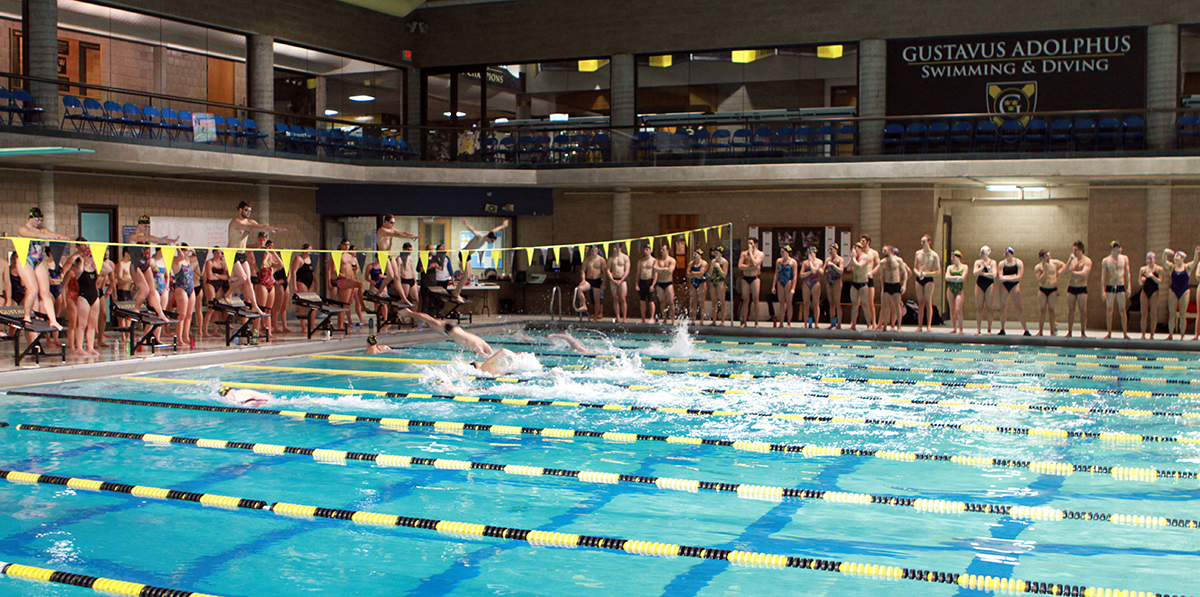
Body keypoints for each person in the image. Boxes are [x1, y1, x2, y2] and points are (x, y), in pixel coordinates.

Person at [16, 207, 72, 330]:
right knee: (33, 290)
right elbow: (34, 234)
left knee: (46, 293)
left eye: (41, 220)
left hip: (38, 260)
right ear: (30, 217)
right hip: (25, 259)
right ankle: (26, 316)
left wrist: (63, 237)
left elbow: (51, 234)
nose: (39, 222)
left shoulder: (42, 229)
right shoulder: (22, 229)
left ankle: (53, 320)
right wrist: (47, 236)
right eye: (37, 219)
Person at [227, 201, 285, 315]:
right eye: (246, 210)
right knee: (243, 278)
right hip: (232, 254)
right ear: (239, 210)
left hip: (242, 254)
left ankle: (255, 306)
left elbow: (259, 226)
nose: (248, 213)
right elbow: (252, 227)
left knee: (248, 281)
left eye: (250, 211)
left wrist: (272, 228)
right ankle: (228, 293)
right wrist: (270, 228)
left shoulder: (250, 222)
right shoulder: (236, 223)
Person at [452, 218, 509, 303]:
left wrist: (503, 226)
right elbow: (473, 230)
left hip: (468, 255)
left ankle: (456, 292)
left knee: (468, 275)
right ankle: (456, 293)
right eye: (492, 241)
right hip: (464, 254)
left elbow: (494, 230)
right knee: (466, 275)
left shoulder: (488, 235)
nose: (491, 243)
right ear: (489, 238)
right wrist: (466, 224)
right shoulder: (480, 236)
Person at [400, 307, 493, 357]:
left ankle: (409, 313)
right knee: (428, 319)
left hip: (454, 328)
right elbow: (484, 355)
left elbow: (490, 352)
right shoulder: (477, 345)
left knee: (429, 319)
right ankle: (408, 312)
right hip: (450, 330)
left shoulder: (482, 342)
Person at [376, 214, 419, 300]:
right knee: (390, 276)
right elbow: (397, 234)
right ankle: (379, 291)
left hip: (391, 255)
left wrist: (412, 235)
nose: (393, 225)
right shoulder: (382, 230)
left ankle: (403, 298)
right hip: (383, 255)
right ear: (386, 222)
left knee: (397, 277)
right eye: (391, 223)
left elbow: (401, 233)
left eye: (394, 223)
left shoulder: (391, 229)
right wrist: (409, 237)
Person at [1163, 247, 1199, 340]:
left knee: (1183, 314)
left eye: (1178, 256)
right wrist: (1165, 253)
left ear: (1183, 258)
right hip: (1173, 291)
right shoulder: (1172, 267)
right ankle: (1170, 334)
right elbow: (1164, 262)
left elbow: (1195, 262)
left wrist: (1196, 253)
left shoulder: (1187, 267)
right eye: (1175, 256)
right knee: (1172, 314)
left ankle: (1182, 335)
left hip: (1184, 291)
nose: (1175, 257)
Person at [873, 245, 909, 332]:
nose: (883, 252)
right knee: (885, 306)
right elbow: (881, 276)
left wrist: (904, 285)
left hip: (896, 284)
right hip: (887, 285)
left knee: (897, 305)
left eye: (885, 250)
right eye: (882, 250)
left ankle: (899, 326)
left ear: (890, 251)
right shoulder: (882, 262)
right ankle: (885, 326)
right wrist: (883, 287)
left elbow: (905, 273)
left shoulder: (898, 260)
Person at [1100, 240, 1131, 340]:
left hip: (1121, 285)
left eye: (1119, 247)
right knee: (1109, 310)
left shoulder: (1125, 259)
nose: (1119, 249)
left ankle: (1125, 333)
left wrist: (1129, 287)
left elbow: (1127, 274)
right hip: (1110, 286)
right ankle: (1109, 333)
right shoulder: (1106, 260)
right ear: (1112, 249)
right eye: (1116, 248)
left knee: (1122, 310)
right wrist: (1102, 291)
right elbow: (1103, 276)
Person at [1034, 249, 1067, 336]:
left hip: (1053, 289)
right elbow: (1040, 280)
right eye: (1046, 256)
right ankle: (1040, 331)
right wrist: (1045, 270)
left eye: (1049, 255)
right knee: (1042, 310)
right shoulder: (1038, 267)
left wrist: (1059, 272)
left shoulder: (1054, 263)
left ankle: (1052, 332)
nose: (1049, 257)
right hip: (1043, 289)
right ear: (1042, 258)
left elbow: (1064, 265)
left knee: (1051, 310)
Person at [1064, 240, 1093, 338]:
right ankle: (1069, 332)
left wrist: (1073, 272)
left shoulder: (1087, 261)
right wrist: (1069, 261)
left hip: (1081, 288)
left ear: (1081, 250)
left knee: (1082, 311)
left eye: (1075, 250)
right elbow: (1066, 272)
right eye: (1073, 250)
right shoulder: (1073, 259)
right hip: (1072, 287)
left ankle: (1083, 332)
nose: (1074, 252)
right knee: (1071, 310)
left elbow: (1084, 273)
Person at [913, 234, 941, 333]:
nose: (922, 243)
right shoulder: (918, 253)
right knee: (920, 302)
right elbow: (915, 267)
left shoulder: (934, 255)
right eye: (921, 241)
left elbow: (938, 271)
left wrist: (926, 274)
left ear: (929, 242)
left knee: (928, 302)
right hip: (919, 279)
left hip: (928, 279)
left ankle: (929, 325)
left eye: (923, 241)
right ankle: (920, 325)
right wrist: (918, 273)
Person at [171, 245, 198, 348]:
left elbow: (197, 256)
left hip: (191, 288)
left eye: (188, 251)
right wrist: (178, 249)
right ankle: (179, 338)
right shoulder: (176, 261)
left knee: (189, 315)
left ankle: (186, 336)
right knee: (181, 315)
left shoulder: (189, 261)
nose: (187, 253)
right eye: (185, 251)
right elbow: (181, 256)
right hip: (181, 288)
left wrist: (191, 249)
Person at [845, 242, 874, 331]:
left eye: (856, 248)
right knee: (854, 305)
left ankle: (869, 325)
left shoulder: (865, 257)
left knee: (865, 304)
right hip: (855, 284)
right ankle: (853, 325)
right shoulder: (854, 258)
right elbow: (848, 268)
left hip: (863, 283)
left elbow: (859, 266)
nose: (854, 250)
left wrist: (853, 258)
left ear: (860, 249)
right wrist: (851, 258)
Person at [289, 244, 317, 334]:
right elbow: (293, 272)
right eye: (309, 250)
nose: (310, 252)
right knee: (303, 305)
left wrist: (316, 283)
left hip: (310, 283)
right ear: (304, 250)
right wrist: (294, 285)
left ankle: (312, 325)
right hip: (301, 282)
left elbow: (313, 272)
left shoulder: (310, 259)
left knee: (314, 304)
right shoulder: (299, 259)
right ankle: (303, 327)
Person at [738, 238, 764, 327]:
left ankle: (756, 322)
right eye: (748, 243)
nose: (749, 245)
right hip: (745, 278)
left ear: (755, 244)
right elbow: (740, 266)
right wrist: (750, 267)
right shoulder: (743, 254)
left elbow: (756, 263)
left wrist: (751, 253)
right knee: (745, 300)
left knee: (756, 300)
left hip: (755, 278)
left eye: (751, 243)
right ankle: (743, 322)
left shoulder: (760, 254)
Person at [578, 245, 607, 320]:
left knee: (596, 299)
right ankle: (584, 305)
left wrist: (604, 283)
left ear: (597, 251)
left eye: (595, 250)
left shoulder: (601, 260)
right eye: (593, 250)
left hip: (597, 280)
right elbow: (583, 270)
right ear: (590, 251)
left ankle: (596, 317)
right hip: (589, 280)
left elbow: (604, 273)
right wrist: (583, 280)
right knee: (579, 289)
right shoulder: (587, 260)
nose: (594, 252)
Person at [972, 246, 997, 335]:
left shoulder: (993, 262)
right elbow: (975, 273)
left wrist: (983, 274)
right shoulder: (978, 262)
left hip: (989, 285)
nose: (980, 254)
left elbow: (994, 275)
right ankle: (978, 329)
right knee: (979, 308)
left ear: (986, 254)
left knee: (989, 308)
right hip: (979, 284)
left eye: (981, 253)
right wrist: (982, 267)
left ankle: (989, 330)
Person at [859, 235, 882, 327]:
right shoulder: (859, 253)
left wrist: (871, 272)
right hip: (860, 278)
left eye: (863, 241)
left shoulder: (873, 253)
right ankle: (867, 323)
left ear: (868, 242)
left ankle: (874, 323)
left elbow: (879, 265)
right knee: (861, 302)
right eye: (861, 241)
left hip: (869, 278)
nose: (861, 243)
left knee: (870, 302)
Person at [772, 246, 797, 327]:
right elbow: (776, 274)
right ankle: (781, 322)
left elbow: (795, 276)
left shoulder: (792, 262)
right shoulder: (778, 261)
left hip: (788, 282)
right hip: (780, 282)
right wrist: (773, 286)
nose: (781, 253)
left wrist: (793, 287)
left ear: (787, 252)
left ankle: (789, 322)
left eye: (783, 252)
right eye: (781, 252)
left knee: (789, 303)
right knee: (781, 303)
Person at [798, 246, 822, 328]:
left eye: (811, 253)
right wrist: (809, 272)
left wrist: (811, 262)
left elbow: (814, 270)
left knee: (816, 303)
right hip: (806, 282)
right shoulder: (805, 263)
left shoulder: (819, 262)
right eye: (809, 253)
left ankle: (816, 323)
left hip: (815, 282)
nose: (810, 254)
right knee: (806, 304)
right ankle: (805, 323)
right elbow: (801, 275)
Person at [944, 250, 967, 334]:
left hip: (959, 290)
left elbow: (963, 278)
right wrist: (957, 278)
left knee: (958, 309)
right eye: (951, 257)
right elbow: (946, 277)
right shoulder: (950, 267)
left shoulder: (964, 267)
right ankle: (954, 328)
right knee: (952, 309)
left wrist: (952, 278)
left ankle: (960, 328)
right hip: (950, 289)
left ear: (958, 257)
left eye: (953, 257)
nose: (952, 258)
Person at [653, 243, 677, 321]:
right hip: (659, 283)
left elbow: (670, 271)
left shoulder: (672, 260)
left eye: (663, 249)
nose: (661, 251)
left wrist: (660, 269)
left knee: (671, 301)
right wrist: (665, 269)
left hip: (668, 282)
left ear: (668, 250)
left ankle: (673, 319)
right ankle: (664, 319)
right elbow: (655, 269)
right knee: (662, 301)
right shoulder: (657, 260)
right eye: (661, 249)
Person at [607, 243, 630, 323]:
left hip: (622, 280)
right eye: (613, 247)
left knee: (623, 299)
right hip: (613, 280)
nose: (614, 249)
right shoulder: (611, 258)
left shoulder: (625, 257)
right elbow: (608, 270)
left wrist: (622, 279)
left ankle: (624, 318)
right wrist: (612, 279)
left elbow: (627, 270)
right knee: (615, 298)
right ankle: (618, 317)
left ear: (620, 248)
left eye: (616, 247)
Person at [706, 246, 729, 326]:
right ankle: (714, 321)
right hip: (713, 282)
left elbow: (724, 275)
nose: (715, 254)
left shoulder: (725, 262)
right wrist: (712, 268)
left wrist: (719, 268)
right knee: (714, 302)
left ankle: (722, 321)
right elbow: (709, 274)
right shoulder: (713, 261)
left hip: (720, 283)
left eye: (717, 253)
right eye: (715, 253)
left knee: (722, 302)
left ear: (721, 254)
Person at [636, 244, 657, 324]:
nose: (645, 251)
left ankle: (652, 318)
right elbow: (638, 273)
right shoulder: (640, 261)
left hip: (650, 281)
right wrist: (636, 284)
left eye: (647, 249)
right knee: (642, 301)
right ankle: (643, 318)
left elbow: (655, 274)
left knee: (651, 301)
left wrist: (653, 285)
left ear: (650, 251)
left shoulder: (654, 261)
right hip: (642, 281)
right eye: (644, 249)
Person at [824, 244, 844, 329]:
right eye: (829, 250)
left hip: (837, 282)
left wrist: (833, 265)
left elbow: (841, 271)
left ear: (836, 250)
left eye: (831, 249)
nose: (829, 251)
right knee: (831, 303)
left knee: (837, 303)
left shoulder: (840, 259)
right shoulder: (827, 260)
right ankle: (832, 323)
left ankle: (839, 324)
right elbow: (823, 270)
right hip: (829, 282)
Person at [686, 248, 708, 323]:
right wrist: (696, 274)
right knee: (693, 302)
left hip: (701, 283)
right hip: (693, 283)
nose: (694, 256)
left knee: (702, 302)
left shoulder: (704, 263)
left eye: (695, 254)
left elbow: (701, 273)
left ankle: (702, 320)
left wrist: (693, 273)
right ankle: (693, 319)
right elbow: (687, 274)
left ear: (700, 255)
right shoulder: (691, 263)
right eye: (693, 254)